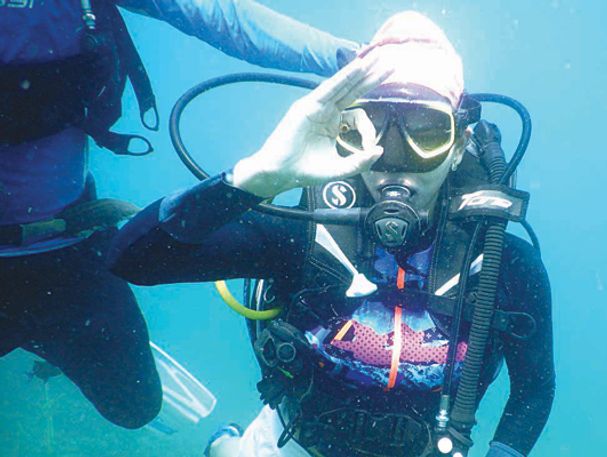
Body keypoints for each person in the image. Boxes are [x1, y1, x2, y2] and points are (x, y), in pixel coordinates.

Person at [109, 11, 554, 456]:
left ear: (459, 146)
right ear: (344, 132)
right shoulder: (303, 234)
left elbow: (534, 389)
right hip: (293, 444)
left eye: (426, 133)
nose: (395, 160)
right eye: (371, 129)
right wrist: (255, 179)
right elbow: (134, 260)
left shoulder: (500, 262)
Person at [0, 0, 357, 430]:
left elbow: (216, 14)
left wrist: (359, 59)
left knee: (135, 407)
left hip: (68, 249)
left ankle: (43, 342)